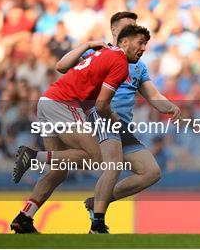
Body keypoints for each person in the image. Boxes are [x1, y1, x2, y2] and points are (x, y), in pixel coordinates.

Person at [10, 24, 150, 233]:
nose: (143, 48)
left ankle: (24, 217)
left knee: (58, 170)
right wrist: (114, 121)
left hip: (47, 101)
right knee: (95, 157)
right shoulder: (120, 63)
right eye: (140, 42)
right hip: (64, 104)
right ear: (125, 42)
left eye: (146, 44)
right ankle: (33, 157)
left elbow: (62, 66)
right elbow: (102, 105)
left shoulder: (103, 51)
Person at [55, 12, 181, 234]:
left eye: (136, 28)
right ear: (115, 32)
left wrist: (170, 107)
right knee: (112, 164)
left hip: (122, 125)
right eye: (129, 28)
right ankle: (97, 224)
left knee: (151, 172)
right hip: (99, 116)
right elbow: (63, 67)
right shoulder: (99, 54)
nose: (134, 32)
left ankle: (98, 202)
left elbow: (153, 96)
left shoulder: (138, 66)